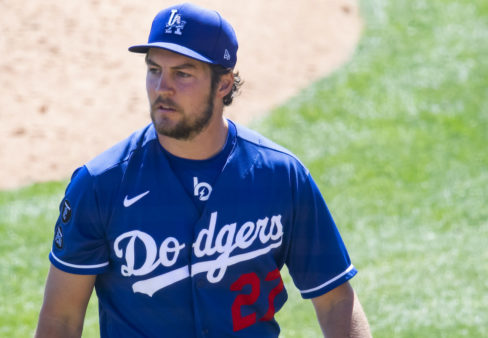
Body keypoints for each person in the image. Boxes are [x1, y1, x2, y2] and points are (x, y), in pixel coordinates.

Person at [35, 3, 371, 337]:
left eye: (182, 74)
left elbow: (336, 301)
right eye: (154, 70)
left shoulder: (281, 178)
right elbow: (60, 320)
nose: (162, 88)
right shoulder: (100, 186)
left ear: (224, 84)